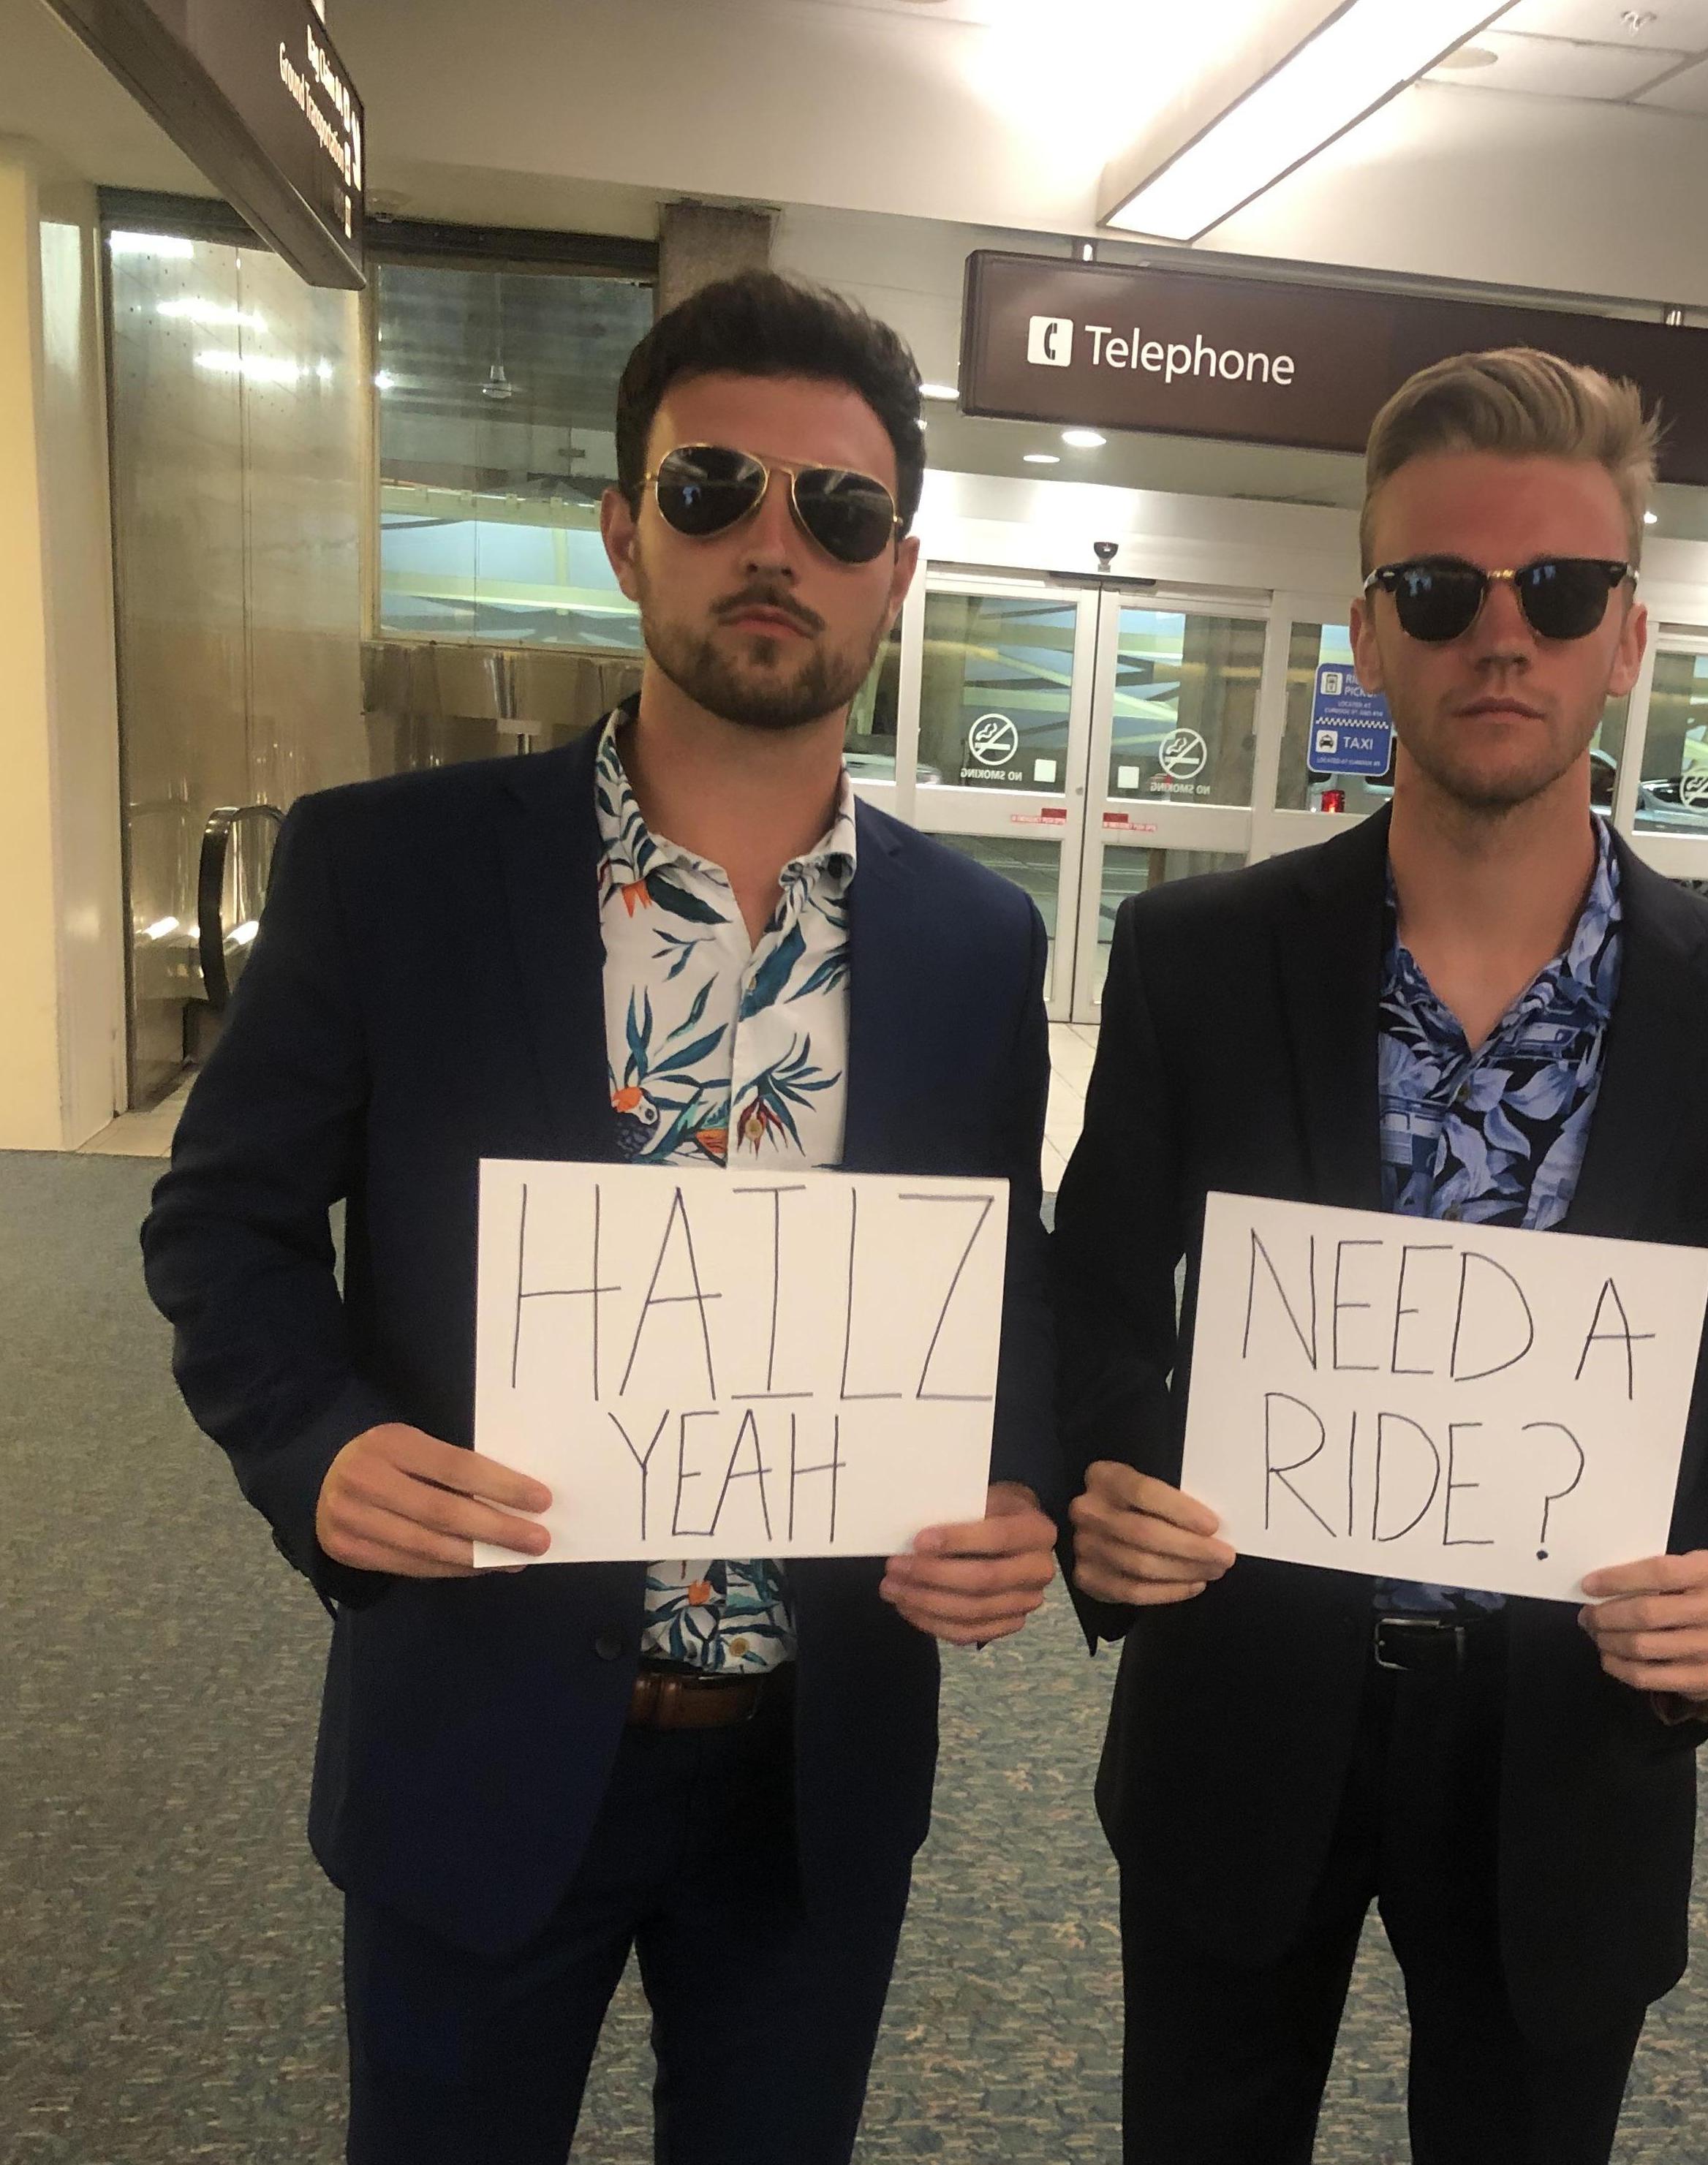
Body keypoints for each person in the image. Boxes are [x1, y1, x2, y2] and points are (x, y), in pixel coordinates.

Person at [142, 269, 1062, 2165]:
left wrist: (1018, 1493)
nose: (773, 546)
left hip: (814, 1767)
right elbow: (220, 1223)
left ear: (897, 570)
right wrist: (314, 1449)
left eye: (840, 511)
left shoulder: (978, 948)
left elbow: (999, 1293)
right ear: (621, 529)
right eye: (712, 487)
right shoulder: (387, 871)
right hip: (477, 1734)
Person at [1055, 347, 1708, 2165]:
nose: (1498, 635)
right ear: (1369, 631)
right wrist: (1101, 1488)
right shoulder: (1199, 958)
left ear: (1624, 633)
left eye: (1556, 590)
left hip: (1567, 1747)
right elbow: (1092, 1295)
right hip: (1238, 1708)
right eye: (1439, 591)